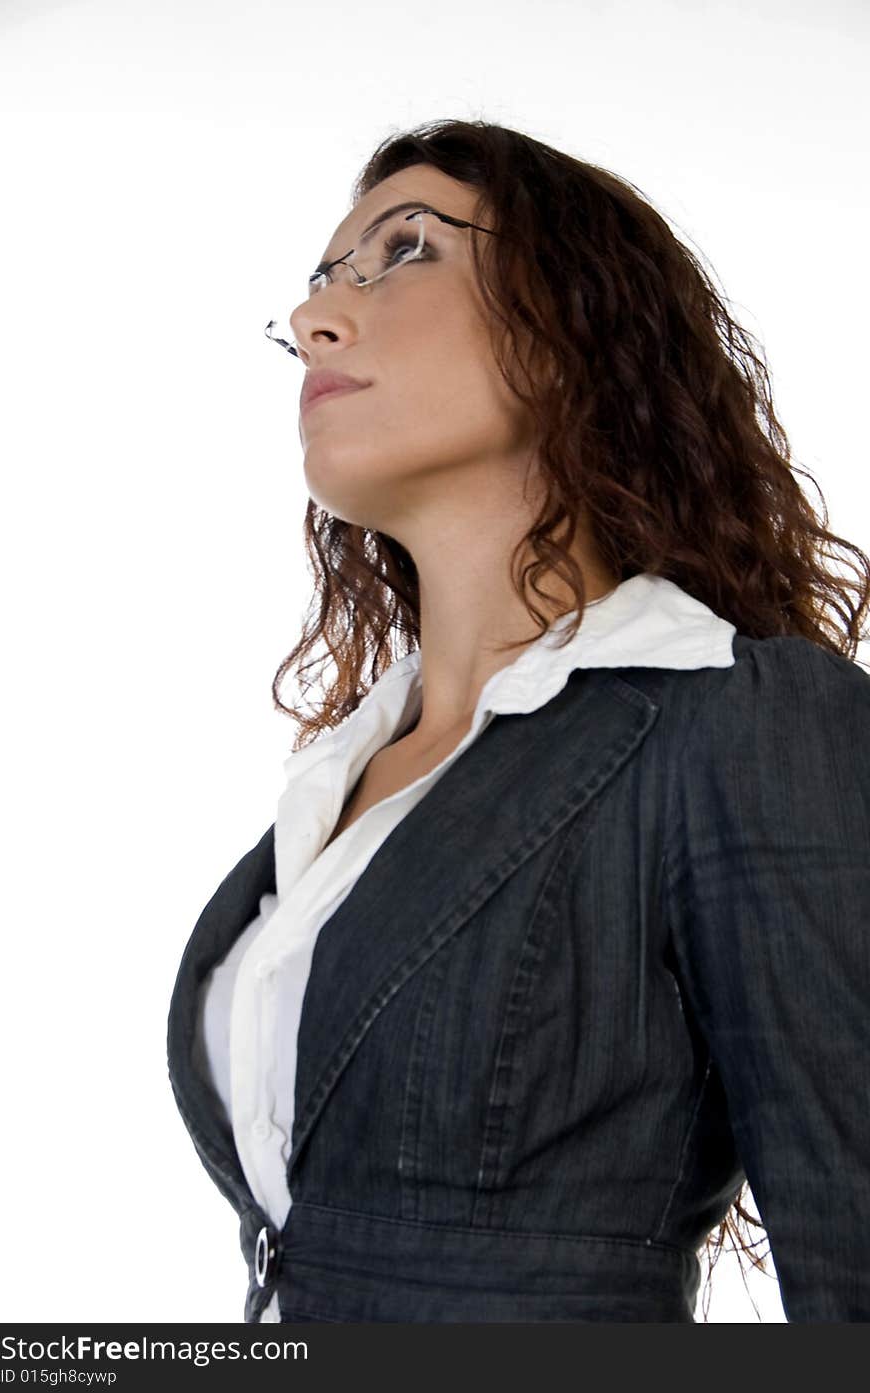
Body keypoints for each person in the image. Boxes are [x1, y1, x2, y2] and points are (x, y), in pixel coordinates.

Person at [167, 119, 870, 1324]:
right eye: (321, 280)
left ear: (571, 325)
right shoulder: (340, 781)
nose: (320, 318)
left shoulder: (740, 723)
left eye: (404, 251)